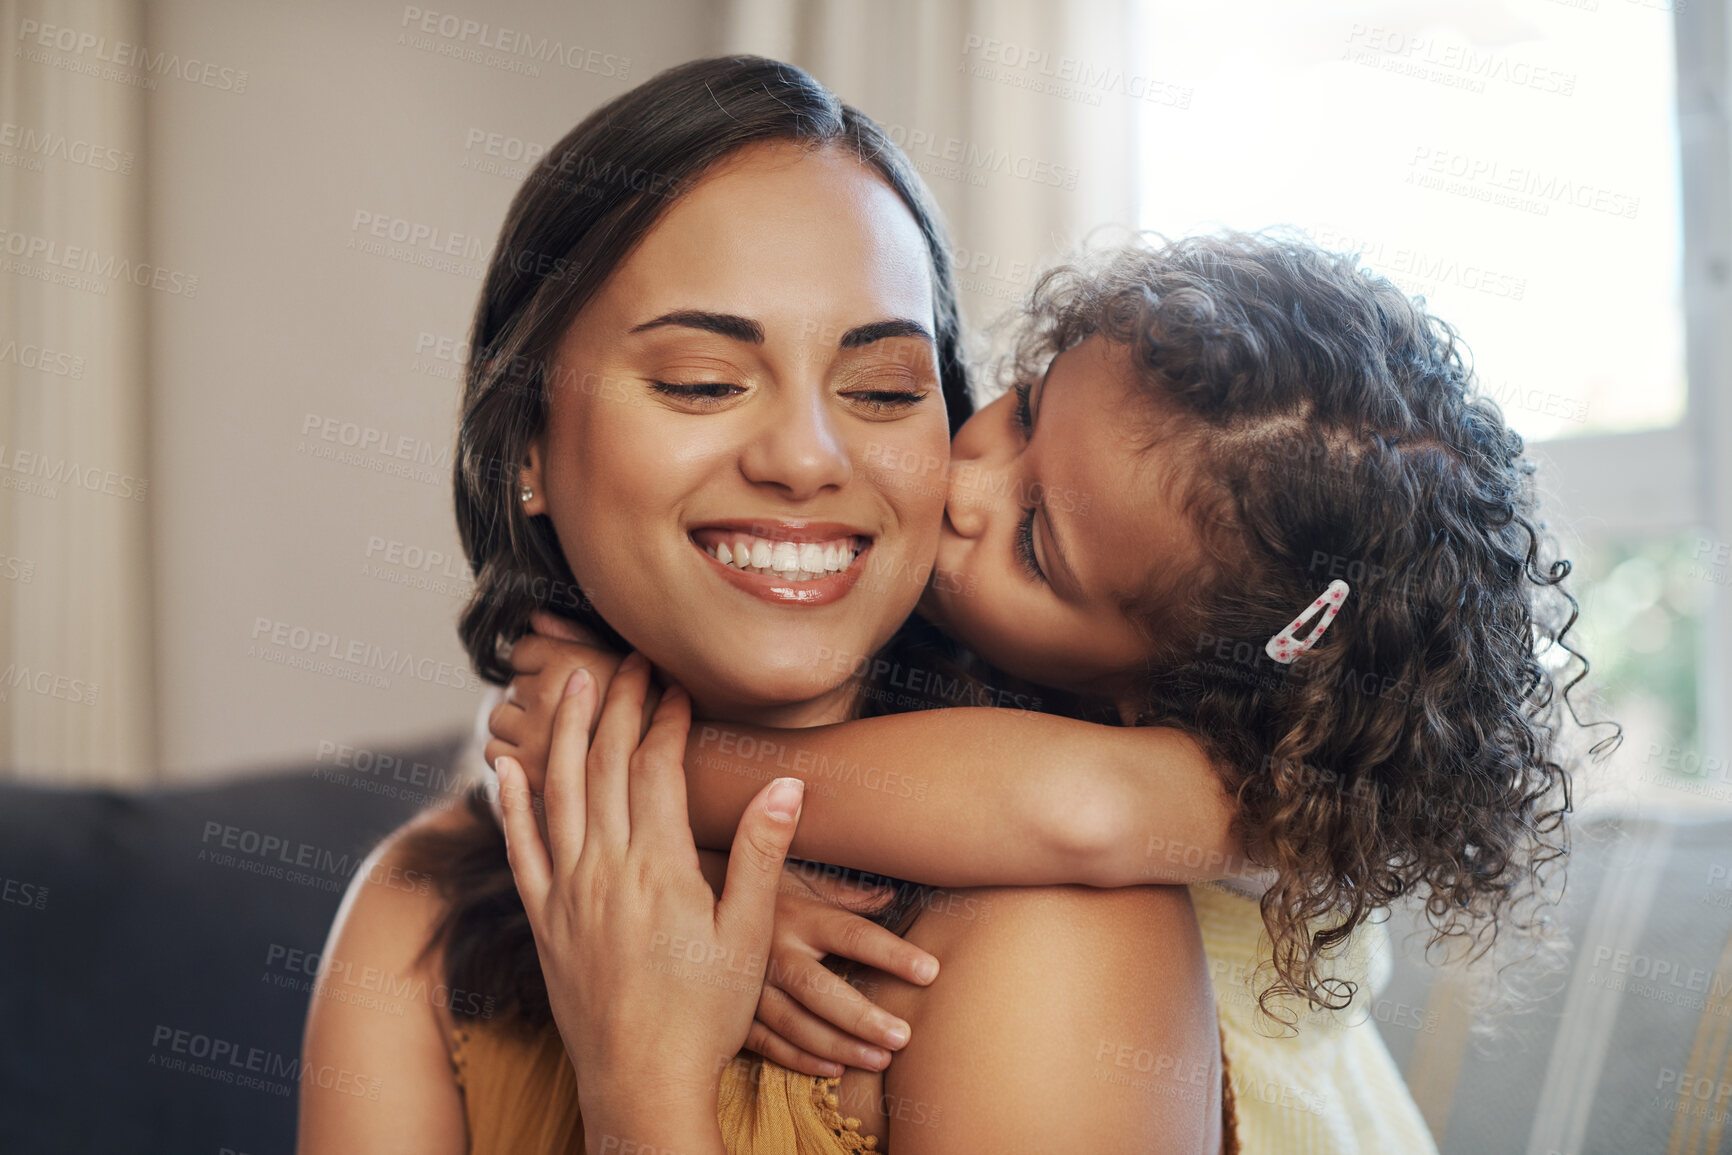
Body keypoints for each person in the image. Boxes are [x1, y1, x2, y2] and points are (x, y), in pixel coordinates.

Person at [296, 56, 1226, 1155]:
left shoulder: (1063, 923)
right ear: (528, 449)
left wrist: (640, 1082)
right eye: (700, 381)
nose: (803, 456)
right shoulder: (416, 915)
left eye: (881, 391)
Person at [494, 232, 1604, 1152]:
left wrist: (634, 761)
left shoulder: (1243, 788)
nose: (965, 486)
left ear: (1167, 689)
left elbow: (1061, 809)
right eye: (1026, 413)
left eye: (1034, 541)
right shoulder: (943, 647)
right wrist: (710, 885)